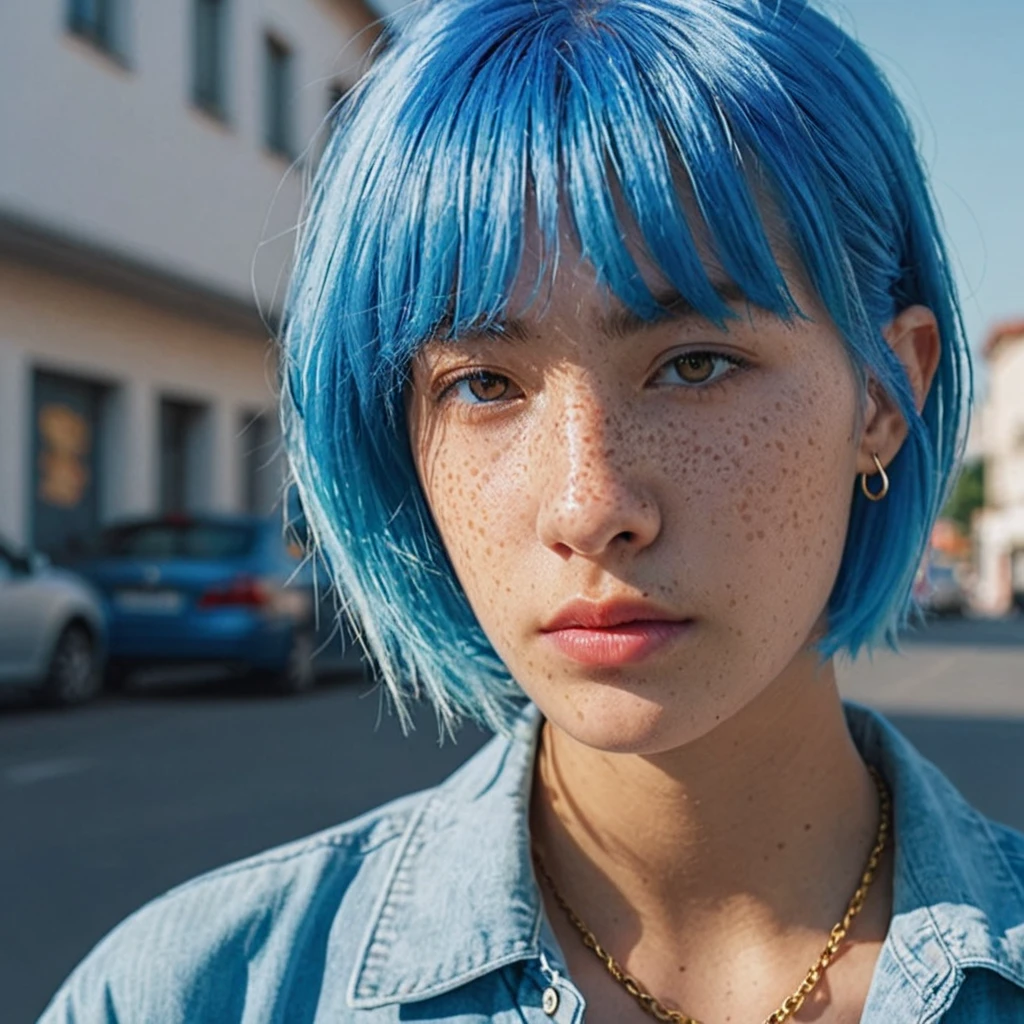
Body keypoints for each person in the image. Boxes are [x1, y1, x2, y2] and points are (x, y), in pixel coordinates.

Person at [39, 1, 1024, 1022]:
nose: (589, 504)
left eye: (693, 365)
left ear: (880, 395)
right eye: (483, 385)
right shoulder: (190, 994)